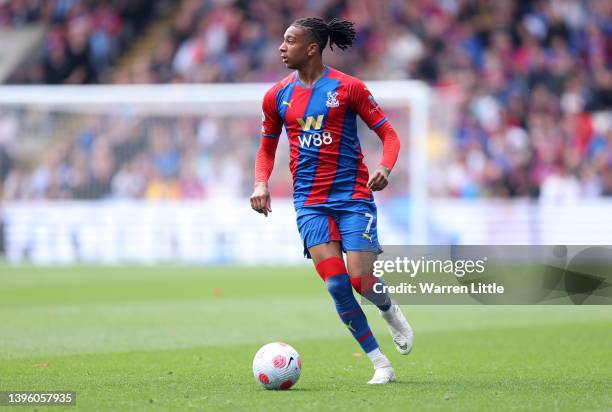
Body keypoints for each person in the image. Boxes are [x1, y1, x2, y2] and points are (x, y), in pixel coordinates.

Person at [250, 17, 413, 384]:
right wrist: (261, 183)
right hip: (309, 203)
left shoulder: (348, 88)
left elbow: (388, 134)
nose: (281, 47)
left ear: (311, 48)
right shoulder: (276, 95)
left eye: (289, 40)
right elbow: (266, 148)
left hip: (353, 197)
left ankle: (389, 310)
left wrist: (385, 167)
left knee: (360, 280)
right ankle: (380, 363)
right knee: (337, 285)